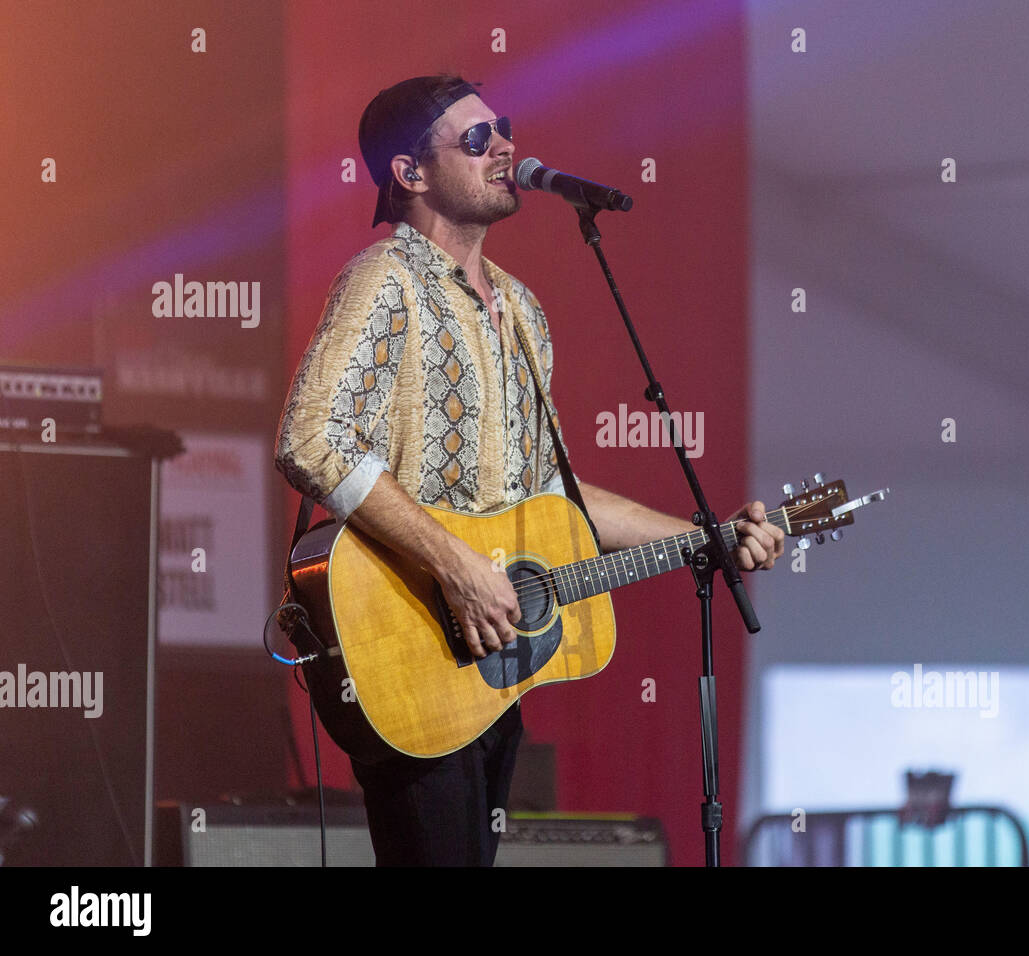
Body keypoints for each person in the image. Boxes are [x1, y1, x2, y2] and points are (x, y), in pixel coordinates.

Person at [273, 75, 783, 866]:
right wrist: (455, 565)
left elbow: (552, 495)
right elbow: (309, 437)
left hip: (490, 658)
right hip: (408, 632)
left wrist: (703, 536)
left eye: (501, 128)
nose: (506, 146)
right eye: (477, 140)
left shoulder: (520, 306)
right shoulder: (387, 280)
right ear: (410, 174)